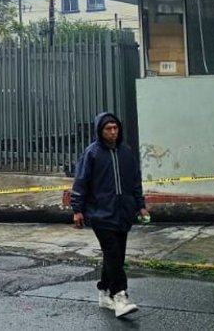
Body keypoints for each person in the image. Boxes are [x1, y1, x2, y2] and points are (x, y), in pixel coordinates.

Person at [70, 111, 148, 318]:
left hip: (123, 212)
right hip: (100, 214)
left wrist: (140, 205)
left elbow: (135, 181)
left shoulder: (126, 152)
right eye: (108, 129)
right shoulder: (92, 153)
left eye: (115, 128)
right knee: (113, 253)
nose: (113, 132)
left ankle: (104, 291)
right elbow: (80, 182)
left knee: (116, 256)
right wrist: (77, 209)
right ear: (100, 131)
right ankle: (120, 296)